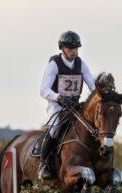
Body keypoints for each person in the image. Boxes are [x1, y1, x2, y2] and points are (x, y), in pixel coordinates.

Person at [38, 31, 96, 179]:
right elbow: (43, 90)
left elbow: (92, 86)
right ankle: (43, 164)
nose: (73, 52)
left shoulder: (81, 64)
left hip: (75, 106)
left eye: (76, 48)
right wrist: (59, 97)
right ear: (62, 49)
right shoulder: (54, 65)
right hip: (57, 105)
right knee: (55, 127)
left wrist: (101, 95)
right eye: (70, 49)